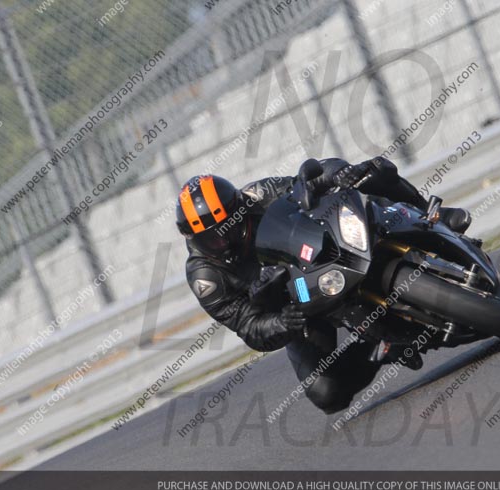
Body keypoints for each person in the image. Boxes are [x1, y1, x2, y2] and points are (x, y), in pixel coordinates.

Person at [176, 157, 471, 414]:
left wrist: (338, 173)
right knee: (326, 394)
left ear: (240, 208)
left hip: (321, 254)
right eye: (212, 239)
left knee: (372, 171)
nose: (225, 242)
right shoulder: (206, 278)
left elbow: (308, 182)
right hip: (295, 306)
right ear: (193, 238)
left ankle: (430, 217)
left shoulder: (258, 194)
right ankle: (381, 348)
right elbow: (249, 326)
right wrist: (282, 323)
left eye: (229, 229)